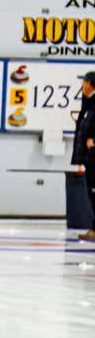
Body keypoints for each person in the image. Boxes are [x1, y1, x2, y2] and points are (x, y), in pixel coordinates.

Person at [75, 70, 95, 242]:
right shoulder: (89, 103)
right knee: (91, 191)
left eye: (84, 82)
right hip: (90, 157)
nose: (82, 86)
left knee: (94, 191)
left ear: (89, 83)